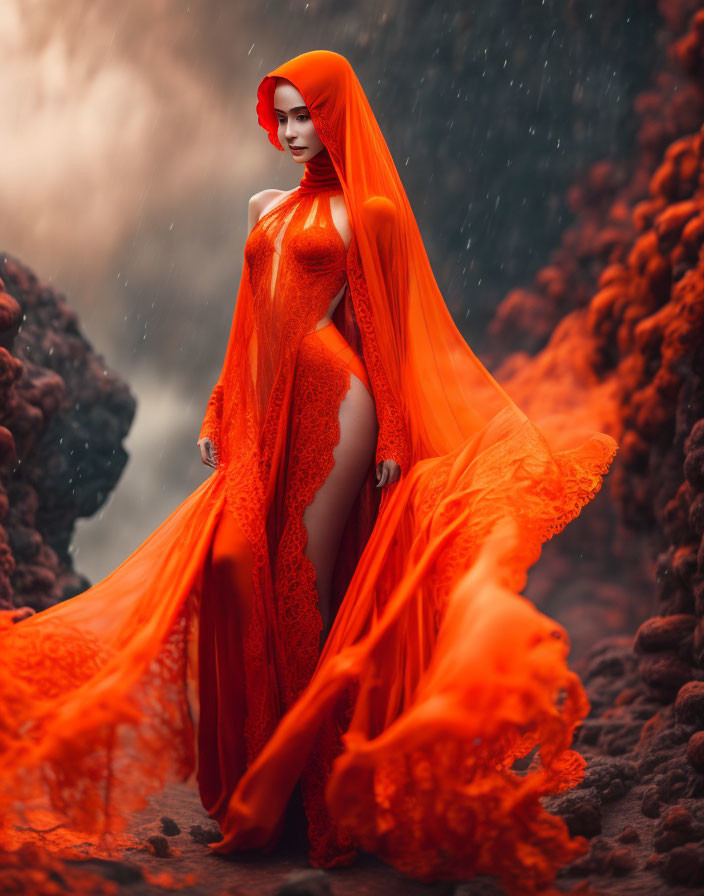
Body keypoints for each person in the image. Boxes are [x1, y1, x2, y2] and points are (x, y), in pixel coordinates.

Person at [0, 50, 618, 896]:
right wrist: (221, 404)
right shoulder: (265, 206)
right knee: (232, 567)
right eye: (282, 118)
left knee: (306, 586)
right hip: (262, 405)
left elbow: (383, 332)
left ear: (335, 117)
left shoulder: (368, 212)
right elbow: (247, 322)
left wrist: (395, 425)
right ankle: (275, 782)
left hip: (339, 400)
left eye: (306, 117)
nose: (292, 134)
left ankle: (321, 806)